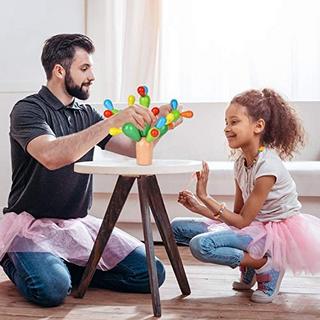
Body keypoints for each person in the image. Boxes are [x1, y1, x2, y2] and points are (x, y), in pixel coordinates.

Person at [0, 33, 171, 307]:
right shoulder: (28, 110)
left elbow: (130, 149)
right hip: (30, 224)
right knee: (52, 289)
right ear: (59, 71)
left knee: (152, 272)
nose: (92, 75)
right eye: (84, 68)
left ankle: (70, 266)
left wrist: (158, 127)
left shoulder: (86, 113)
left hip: (76, 224)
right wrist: (112, 120)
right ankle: (15, 257)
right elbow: (52, 155)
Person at [171, 89, 320, 303]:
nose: (227, 128)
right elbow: (237, 215)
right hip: (250, 226)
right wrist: (198, 206)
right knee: (177, 227)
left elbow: (242, 222)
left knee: (200, 245)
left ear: (258, 126)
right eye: (226, 122)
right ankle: (249, 263)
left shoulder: (268, 167)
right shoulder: (240, 163)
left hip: (272, 230)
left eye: (234, 122)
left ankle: (265, 264)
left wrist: (205, 196)